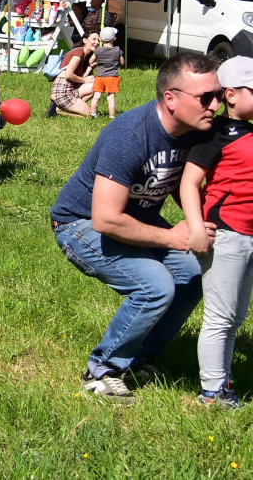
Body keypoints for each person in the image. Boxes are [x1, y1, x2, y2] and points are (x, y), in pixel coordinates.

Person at [51, 52, 218, 402]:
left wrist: (197, 223)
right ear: (170, 99)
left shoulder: (194, 131)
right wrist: (173, 236)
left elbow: (174, 179)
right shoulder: (129, 134)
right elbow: (106, 219)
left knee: (191, 276)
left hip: (137, 218)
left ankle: (141, 358)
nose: (215, 105)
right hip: (79, 223)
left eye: (217, 94)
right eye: (206, 97)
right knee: (155, 287)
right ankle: (102, 370)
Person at [179, 55, 253, 409]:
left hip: (250, 237)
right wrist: (196, 227)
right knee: (220, 317)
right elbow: (190, 183)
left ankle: (221, 383)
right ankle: (212, 391)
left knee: (236, 317)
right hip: (227, 235)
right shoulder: (216, 134)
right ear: (233, 94)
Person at [50, 31, 100, 117]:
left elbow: (80, 78)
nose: (97, 42)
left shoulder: (85, 56)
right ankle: (60, 111)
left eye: (99, 40)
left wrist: (91, 66)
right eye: (94, 39)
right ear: (85, 40)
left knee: (94, 85)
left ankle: (70, 107)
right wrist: (84, 80)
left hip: (71, 89)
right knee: (90, 115)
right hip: (62, 91)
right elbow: (69, 75)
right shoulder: (79, 52)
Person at [89, 27, 124, 119]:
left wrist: (96, 62)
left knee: (96, 96)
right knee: (111, 98)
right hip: (112, 77)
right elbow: (122, 63)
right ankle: (112, 116)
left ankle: (93, 114)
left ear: (100, 39)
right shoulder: (117, 50)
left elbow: (90, 61)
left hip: (100, 77)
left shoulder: (98, 50)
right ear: (114, 39)